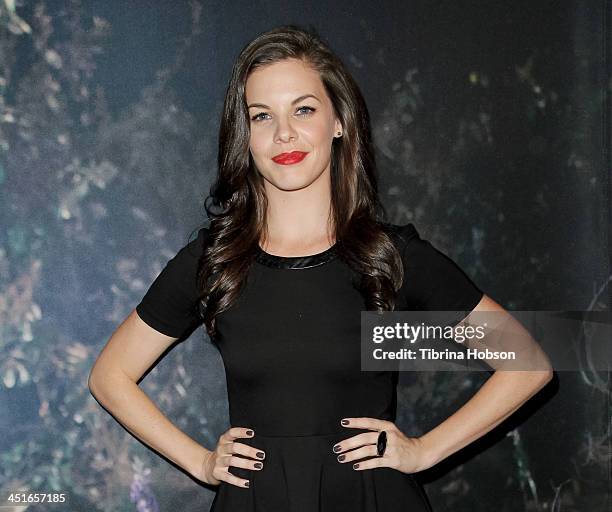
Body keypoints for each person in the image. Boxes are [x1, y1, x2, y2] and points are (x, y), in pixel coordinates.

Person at [88, 24, 553, 511]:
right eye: (262, 116)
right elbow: (110, 375)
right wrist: (200, 462)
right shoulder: (215, 262)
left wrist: (424, 451)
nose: (284, 132)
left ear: (339, 122)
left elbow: (529, 364)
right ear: (244, 136)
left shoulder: (388, 257)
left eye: (303, 109)